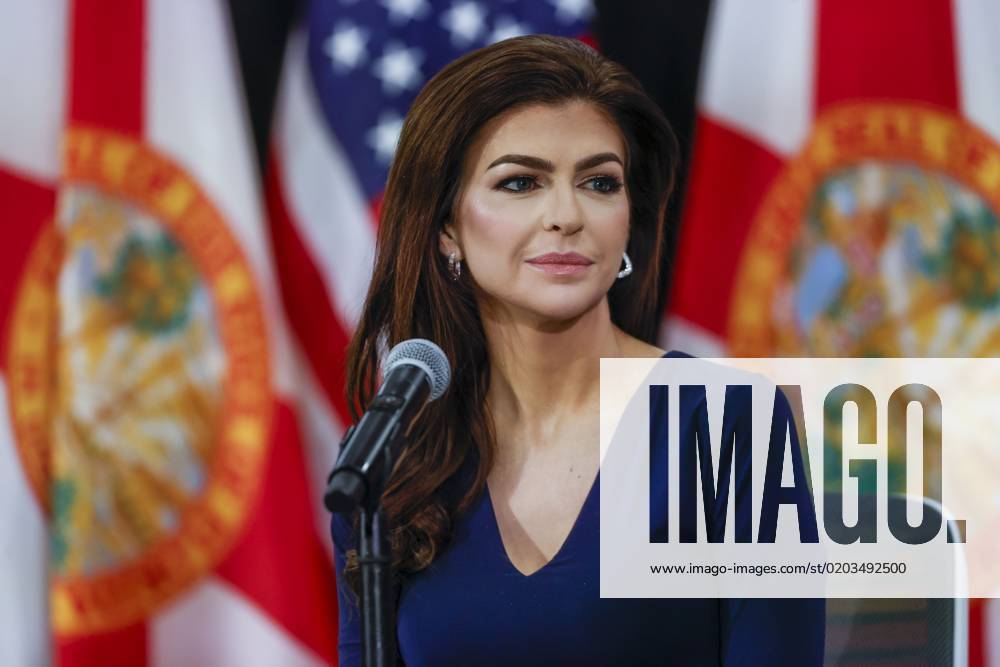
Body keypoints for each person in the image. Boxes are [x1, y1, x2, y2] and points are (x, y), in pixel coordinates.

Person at [332, 34, 824, 666]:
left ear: (627, 219)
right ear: (447, 227)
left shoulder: (729, 422)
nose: (567, 214)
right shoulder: (392, 456)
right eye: (520, 183)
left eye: (598, 182)